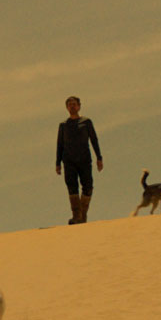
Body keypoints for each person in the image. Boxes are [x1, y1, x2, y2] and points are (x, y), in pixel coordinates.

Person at [55, 96, 104, 224]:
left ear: (79, 106)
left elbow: (94, 140)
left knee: (88, 187)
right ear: (67, 107)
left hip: (84, 159)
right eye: (69, 104)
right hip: (69, 160)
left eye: (74, 104)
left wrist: (99, 157)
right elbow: (60, 144)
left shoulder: (86, 122)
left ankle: (83, 215)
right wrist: (58, 163)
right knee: (72, 187)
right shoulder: (63, 125)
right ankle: (77, 216)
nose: (72, 106)